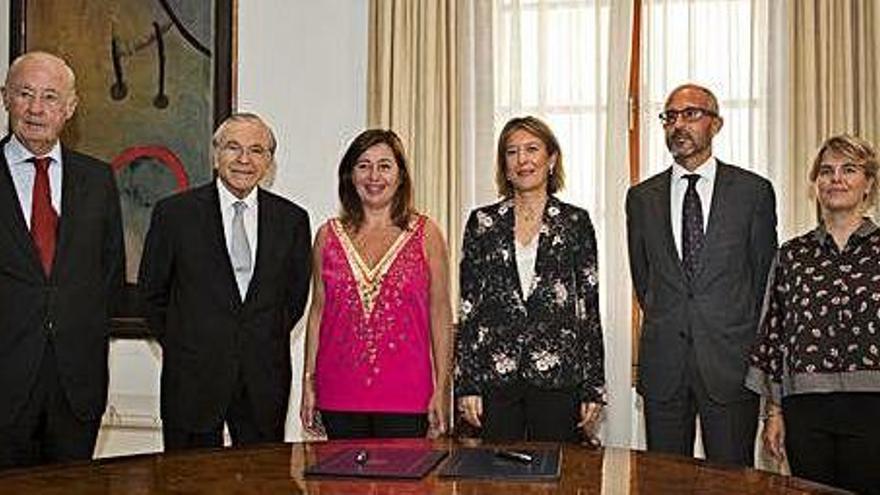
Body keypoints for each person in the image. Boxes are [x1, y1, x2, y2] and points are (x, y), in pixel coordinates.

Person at [139, 113, 311, 451]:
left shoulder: (291, 220)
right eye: (233, 147)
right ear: (216, 154)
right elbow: (151, 294)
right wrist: (188, 344)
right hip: (192, 380)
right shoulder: (174, 214)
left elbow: (293, 299)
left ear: (269, 162)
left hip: (263, 381)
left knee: (262, 484)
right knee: (187, 482)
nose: (244, 159)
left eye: (257, 150)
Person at [626, 84, 777, 466]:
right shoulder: (641, 198)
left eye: (691, 114)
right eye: (670, 116)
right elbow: (645, 281)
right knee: (663, 482)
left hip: (730, 367)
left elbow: (764, 282)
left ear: (716, 124)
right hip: (665, 367)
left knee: (731, 482)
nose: (679, 125)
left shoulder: (753, 192)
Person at [0, 52, 124, 468]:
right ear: (5, 99)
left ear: (70, 108)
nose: (36, 109)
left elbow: (109, 274)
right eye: (24, 94)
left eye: (50, 97)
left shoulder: (98, 179)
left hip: (77, 384)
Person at [455, 116, 605, 442]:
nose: (522, 160)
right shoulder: (482, 223)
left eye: (532, 149)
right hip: (495, 381)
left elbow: (589, 309)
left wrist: (594, 386)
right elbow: (469, 309)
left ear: (551, 159)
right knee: (496, 481)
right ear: (505, 166)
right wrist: (466, 382)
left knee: (557, 480)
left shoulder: (575, 222)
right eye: (512, 152)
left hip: (559, 381)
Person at [747, 135, 880, 493]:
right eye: (826, 171)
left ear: (868, 183)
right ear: (816, 184)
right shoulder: (792, 255)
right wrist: (773, 413)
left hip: (873, 409)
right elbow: (775, 334)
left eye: (848, 169)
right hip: (805, 410)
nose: (836, 179)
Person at [300, 129, 452, 439]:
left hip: (408, 395)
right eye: (363, 165)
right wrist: (308, 384)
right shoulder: (327, 236)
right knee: (340, 486)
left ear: (400, 176)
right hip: (338, 393)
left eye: (384, 166)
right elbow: (318, 313)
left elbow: (440, 314)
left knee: (405, 486)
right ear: (350, 175)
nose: (374, 176)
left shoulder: (427, 233)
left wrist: (442, 388)